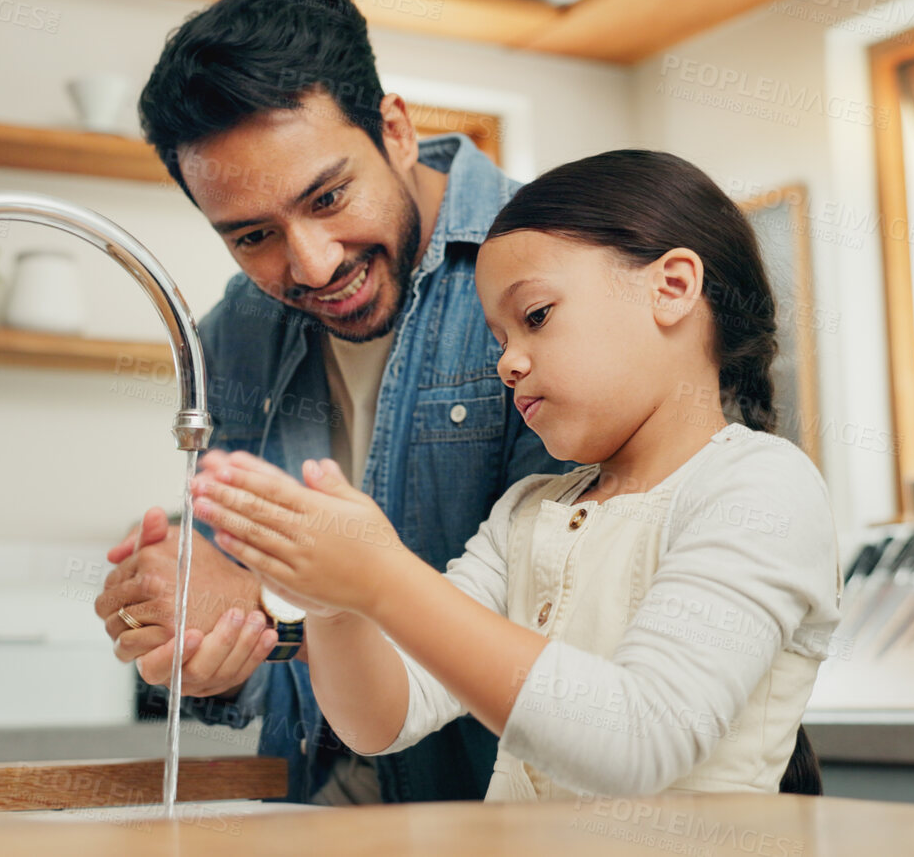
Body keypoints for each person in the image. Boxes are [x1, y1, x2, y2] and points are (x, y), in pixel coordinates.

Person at [188, 150, 841, 800]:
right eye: (499, 339)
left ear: (670, 287)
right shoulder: (526, 511)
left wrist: (382, 577)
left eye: (534, 317)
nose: (507, 364)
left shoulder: (760, 487)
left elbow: (638, 744)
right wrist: (335, 604)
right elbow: (381, 720)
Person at [93, 0, 568, 804]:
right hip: (321, 810)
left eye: (327, 198)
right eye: (253, 235)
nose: (311, 264)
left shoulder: (556, 267)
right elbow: (259, 647)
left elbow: (572, 623)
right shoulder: (232, 336)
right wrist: (207, 641)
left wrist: (274, 604)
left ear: (395, 127)